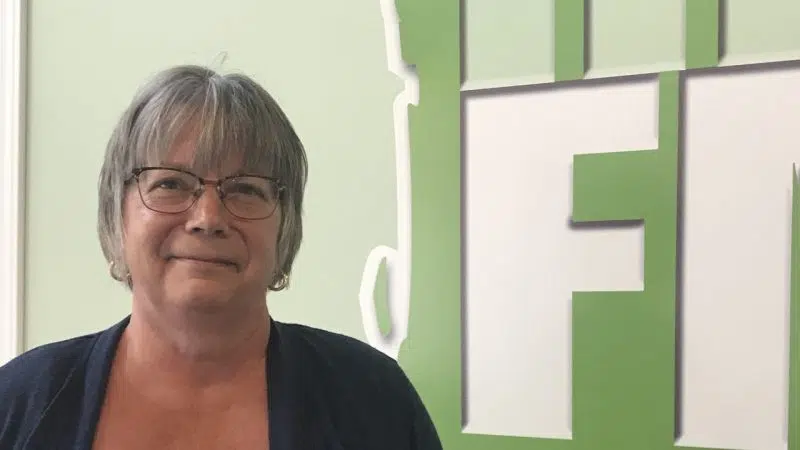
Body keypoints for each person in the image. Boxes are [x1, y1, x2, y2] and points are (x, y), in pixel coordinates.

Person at [0, 64, 442, 449]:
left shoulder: (373, 401)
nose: (208, 218)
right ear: (117, 212)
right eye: (170, 184)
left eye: (245, 189)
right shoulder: (19, 404)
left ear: (285, 224)